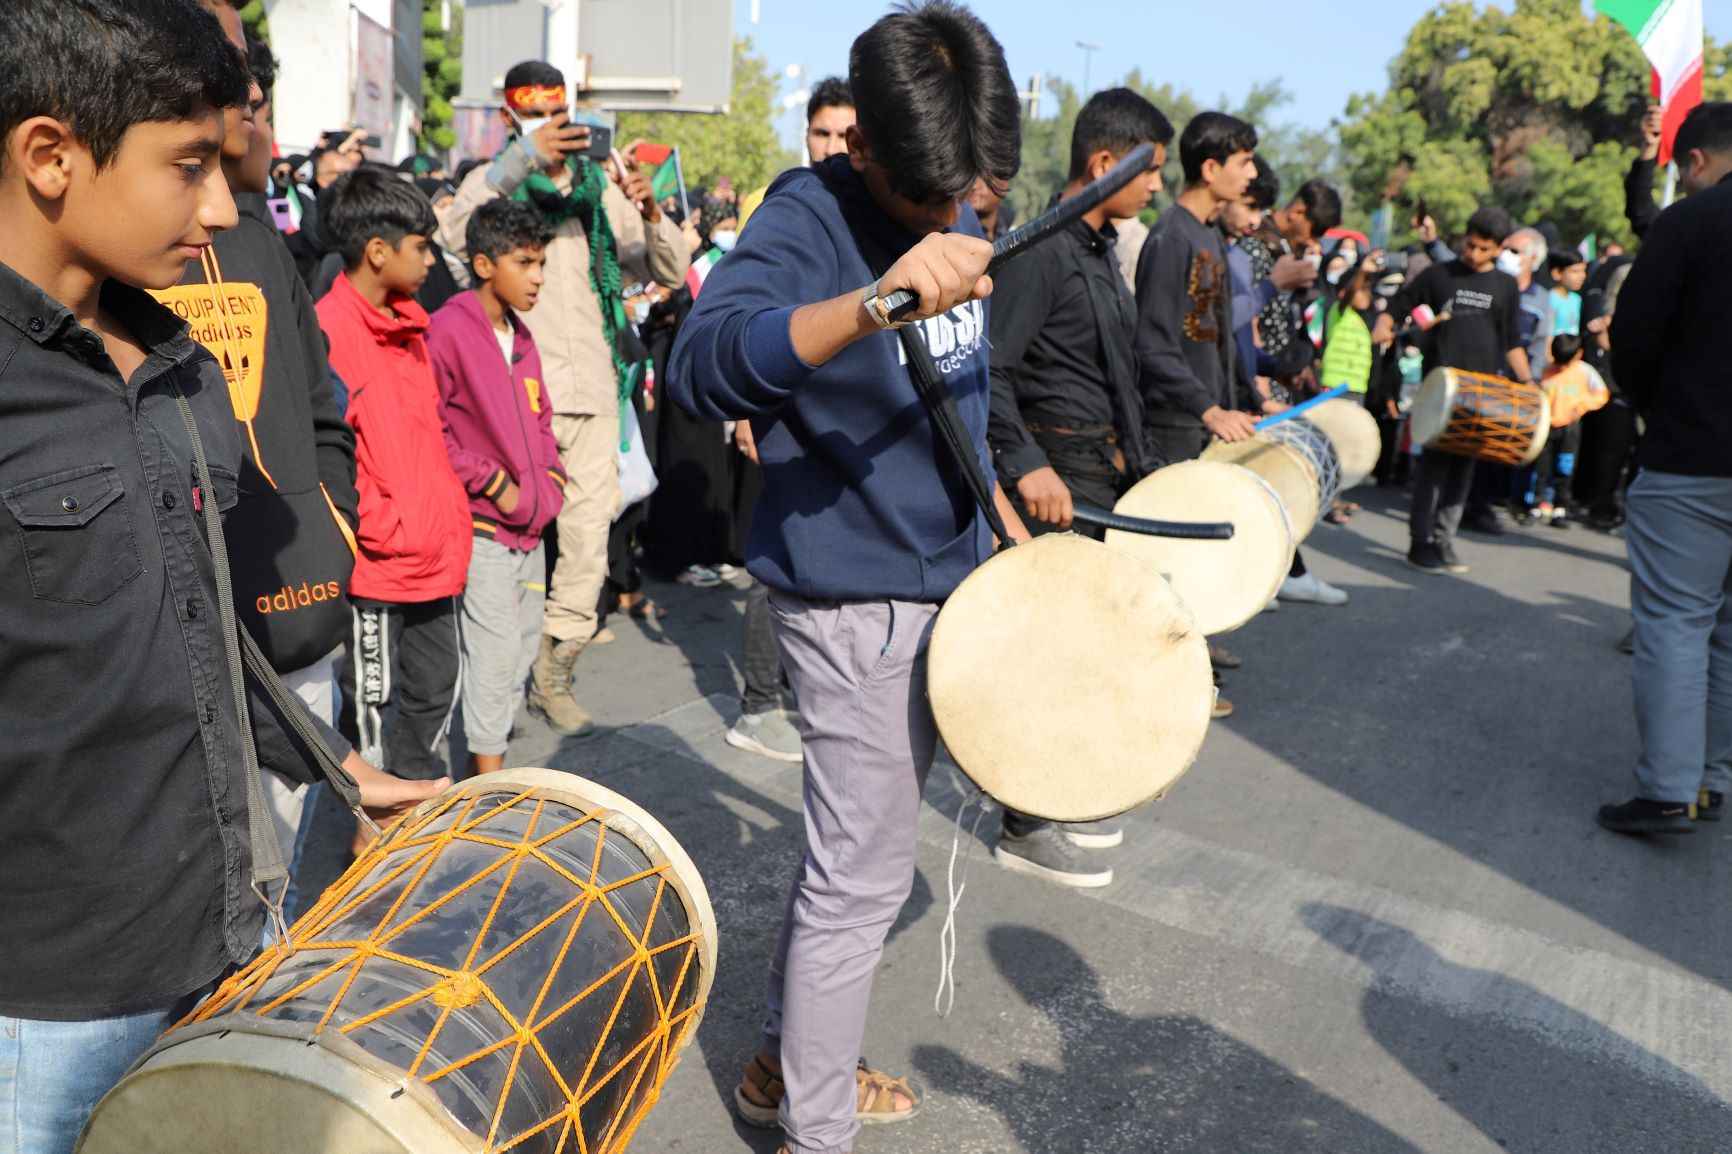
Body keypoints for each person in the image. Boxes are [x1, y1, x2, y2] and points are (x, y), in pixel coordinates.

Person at [0, 4, 443, 1147]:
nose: (217, 210)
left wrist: (335, 763)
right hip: (41, 1009)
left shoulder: (182, 363)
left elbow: (191, 621)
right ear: (50, 155)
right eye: (188, 164)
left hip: (227, 941)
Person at [667, 4, 1026, 1151]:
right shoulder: (805, 216)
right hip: (851, 600)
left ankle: (784, 1065)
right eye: (930, 196)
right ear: (859, 143)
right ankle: (815, 1129)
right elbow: (701, 365)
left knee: (851, 864)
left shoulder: (954, 194)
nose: (952, 214)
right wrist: (878, 301)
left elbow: (963, 388)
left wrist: (1009, 495)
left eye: (967, 191)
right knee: (859, 881)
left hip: (940, 584)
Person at [158, 0, 361, 878]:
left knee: (281, 871)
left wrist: (333, 521)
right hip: (180, 658)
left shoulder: (262, 246)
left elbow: (322, 405)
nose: (251, 116)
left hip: (299, 611)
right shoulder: (110, 261)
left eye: (252, 96)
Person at [440, 60, 689, 739]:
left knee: (586, 538)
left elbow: (667, 266)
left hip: (592, 389)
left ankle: (553, 672)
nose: (550, 124)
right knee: (513, 534)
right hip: (516, 394)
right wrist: (522, 159)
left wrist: (650, 208)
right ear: (510, 117)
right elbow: (452, 236)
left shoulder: (598, 188)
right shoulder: (494, 183)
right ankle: (497, 675)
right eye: (534, 114)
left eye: (558, 112)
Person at [985, 86, 1171, 887]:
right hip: (1053, 489)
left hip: (1100, 481)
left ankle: (1057, 794)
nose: (1157, 185)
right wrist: (1027, 462)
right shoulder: (1037, 251)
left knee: (1082, 653)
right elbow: (989, 372)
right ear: (1103, 163)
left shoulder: (1098, 252)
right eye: (1148, 169)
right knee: (1042, 656)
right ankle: (1024, 821)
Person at [1596, 101, 1732, 835]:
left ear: (1697, 160)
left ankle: (1668, 792)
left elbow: (1635, 338)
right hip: (1695, 453)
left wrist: (1658, 407)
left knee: (1677, 624)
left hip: (1691, 459)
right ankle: (1711, 777)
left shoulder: (1690, 221)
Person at [316, 169, 473, 783]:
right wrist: (380, 525)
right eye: (422, 247)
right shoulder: (328, 329)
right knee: (373, 710)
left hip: (435, 554)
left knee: (437, 688)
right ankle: (378, 831)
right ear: (378, 251)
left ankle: (416, 810)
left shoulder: (412, 327)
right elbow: (329, 453)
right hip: (379, 564)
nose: (432, 261)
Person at [727, 77, 860, 765]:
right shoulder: (781, 205)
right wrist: (747, 413)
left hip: (841, 418)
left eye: (844, 134)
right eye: (821, 133)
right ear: (805, 135)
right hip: (780, 410)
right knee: (775, 557)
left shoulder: (862, 208)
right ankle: (758, 705)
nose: (832, 146)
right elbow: (745, 318)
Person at [428, 200, 566, 778]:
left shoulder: (522, 336)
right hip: (484, 529)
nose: (538, 277)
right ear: (484, 264)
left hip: (531, 530)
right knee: (493, 657)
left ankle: (485, 778)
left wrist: (550, 482)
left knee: (519, 656)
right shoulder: (448, 330)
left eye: (541, 263)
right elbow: (429, 427)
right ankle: (490, 795)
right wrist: (493, 482)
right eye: (525, 263)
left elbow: (541, 421)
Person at [1375, 205, 1531, 574]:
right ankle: (1420, 542)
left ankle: (1443, 540)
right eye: (1469, 245)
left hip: (1483, 393)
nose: (1473, 254)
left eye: (1483, 249)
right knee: (1433, 467)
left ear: (1499, 248)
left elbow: (1511, 341)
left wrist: (1528, 384)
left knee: (1463, 470)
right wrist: (1384, 322)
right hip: (1440, 389)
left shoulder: (1506, 286)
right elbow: (1400, 303)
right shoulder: (1439, 274)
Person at [1134, 111, 1260, 467]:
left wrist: (1254, 399)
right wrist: (1207, 409)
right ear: (1210, 169)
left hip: (1207, 423)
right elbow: (1152, 342)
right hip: (1172, 428)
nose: (1252, 173)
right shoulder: (1171, 237)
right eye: (1244, 162)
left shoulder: (1210, 234)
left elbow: (1221, 339)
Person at [1525, 332, 1607, 526]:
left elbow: (1602, 394)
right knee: (1541, 466)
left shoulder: (1584, 371)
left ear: (1578, 355)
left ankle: (1560, 506)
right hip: (1546, 426)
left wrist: (1582, 406)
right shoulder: (1546, 370)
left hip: (1570, 427)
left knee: (1565, 466)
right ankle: (1536, 504)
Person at [1547, 249, 1586, 336]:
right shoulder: (1549, 300)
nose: (1582, 276)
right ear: (1557, 273)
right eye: (1575, 271)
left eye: (1583, 270)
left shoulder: (1576, 299)